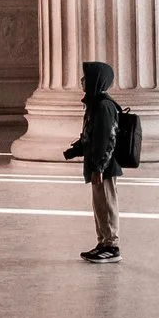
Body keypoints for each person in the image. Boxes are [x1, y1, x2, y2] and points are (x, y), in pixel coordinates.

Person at [61, 60, 126, 261]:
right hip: (97, 166)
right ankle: (103, 242)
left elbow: (107, 140)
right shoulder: (95, 105)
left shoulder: (105, 107)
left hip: (104, 167)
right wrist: (76, 150)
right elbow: (91, 136)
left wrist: (98, 167)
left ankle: (112, 246)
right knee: (100, 206)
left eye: (85, 78)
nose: (82, 81)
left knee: (106, 204)